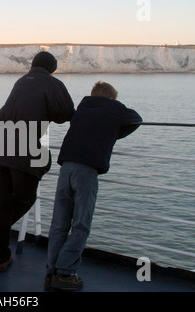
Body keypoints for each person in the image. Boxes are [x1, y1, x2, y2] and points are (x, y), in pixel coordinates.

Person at [0, 51, 75, 272]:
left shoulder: (20, 82)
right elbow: (65, 113)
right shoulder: (52, 83)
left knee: (0, 203)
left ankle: (0, 258)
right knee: (25, 198)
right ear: (52, 68)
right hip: (23, 145)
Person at [45, 81, 142, 291]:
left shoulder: (81, 109)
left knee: (59, 224)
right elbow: (136, 119)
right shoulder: (113, 109)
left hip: (66, 168)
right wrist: (113, 131)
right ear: (111, 98)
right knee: (80, 225)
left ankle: (51, 271)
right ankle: (65, 273)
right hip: (86, 172)